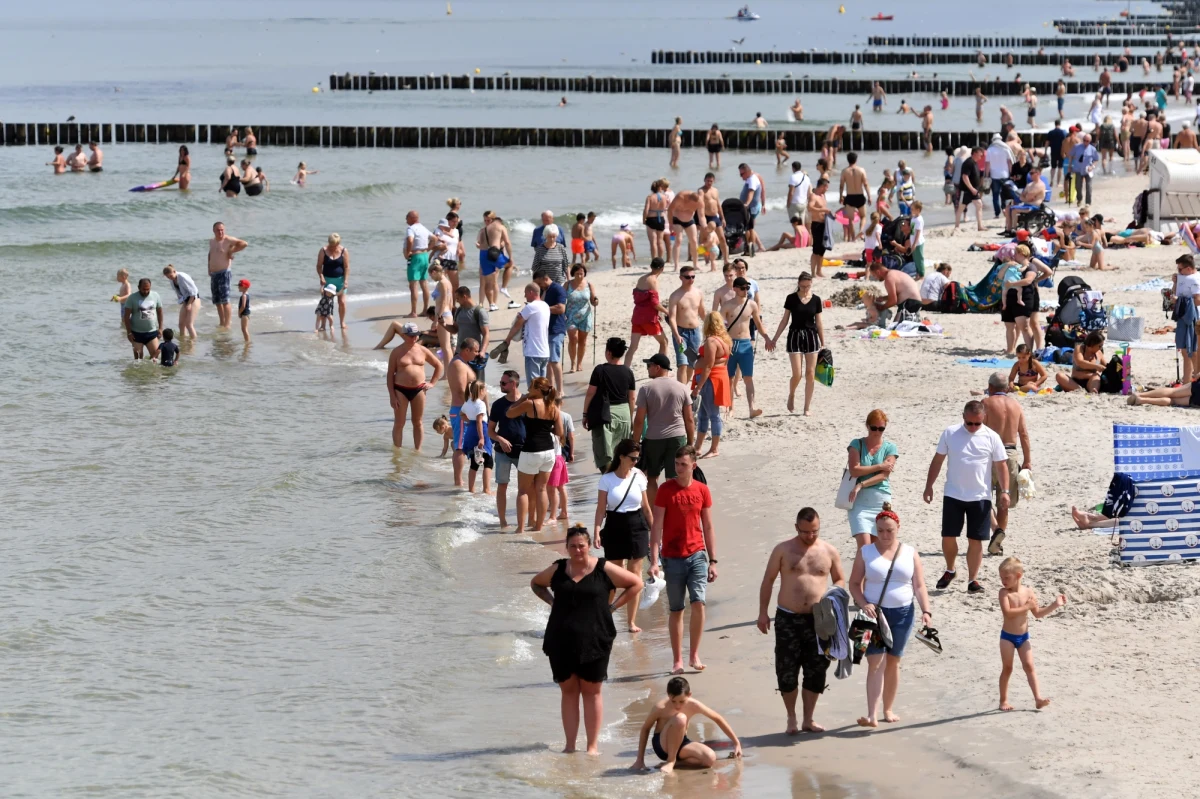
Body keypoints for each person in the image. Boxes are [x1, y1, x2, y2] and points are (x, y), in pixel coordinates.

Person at [530, 525, 642, 755]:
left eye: (581, 546)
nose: (578, 550)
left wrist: (612, 607)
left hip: (596, 637)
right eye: (573, 546)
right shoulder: (559, 568)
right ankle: (570, 746)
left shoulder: (603, 568)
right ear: (567, 548)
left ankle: (592, 747)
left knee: (592, 692)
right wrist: (553, 602)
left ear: (588, 546)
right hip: (560, 638)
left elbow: (636, 583)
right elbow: (536, 583)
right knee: (569, 691)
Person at [756, 506, 845, 734]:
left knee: (816, 669)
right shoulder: (783, 550)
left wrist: (832, 600)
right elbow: (768, 580)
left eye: (814, 531)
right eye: (805, 532)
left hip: (819, 620)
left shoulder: (829, 551)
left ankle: (809, 719)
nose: (810, 536)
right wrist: (763, 612)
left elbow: (840, 579)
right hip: (788, 618)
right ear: (797, 527)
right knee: (786, 670)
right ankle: (791, 718)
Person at [848, 505, 935, 728]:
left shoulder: (910, 552)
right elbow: (854, 583)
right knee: (875, 662)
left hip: (903, 613)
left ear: (898, 528)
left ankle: (888, 709)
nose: (885, 535)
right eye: (881, 531)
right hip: (872, 614)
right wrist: (863, 603)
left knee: (894, 661)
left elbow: (919, 585)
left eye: (890, 530)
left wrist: (926, 611)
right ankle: (871, 714)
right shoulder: (865, 552)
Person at [923, 401, 1011, 595]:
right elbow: (938, 460)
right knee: (948, 536)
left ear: (983, 419)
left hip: (980, 496)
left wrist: (1005, 491)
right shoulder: (950, 433)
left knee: (975, 540)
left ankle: (973, 580)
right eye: (969, 423)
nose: (973, 427)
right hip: (953, 493)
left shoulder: (991, 437)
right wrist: (929, 486)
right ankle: (950, 569)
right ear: (963, 417)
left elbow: (1001, 465)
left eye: (977, 424)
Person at [649, 446, 717, 674]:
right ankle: (677, 660)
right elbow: (656, 526)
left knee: (698, 602)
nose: (678, 469)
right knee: (676, 609)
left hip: (697, 554)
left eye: (683, 465)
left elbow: (707, 526)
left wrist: (713, 560)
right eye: (676, 464)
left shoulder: (702, 490)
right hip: (671, 557)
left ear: (693, 466)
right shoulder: (665, 490)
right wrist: (654, 561)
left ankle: (694, 655)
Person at [593, 438, 653, 632]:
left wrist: (654, 534)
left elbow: (645, 507)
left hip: (637, 526)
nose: (636, 462)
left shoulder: (639, 476)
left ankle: (631, 622)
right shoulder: (607, 479)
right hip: (614, 525)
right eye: (633, 458)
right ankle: (605, 615)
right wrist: (596, 530)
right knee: (614, 576)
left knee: (635, 575)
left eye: (638, 458)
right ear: (621, 457)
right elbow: (601, 509)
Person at [997, 557, 1066, 711]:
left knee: (1029, 666)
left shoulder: (1028, 592)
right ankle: (1003, 700)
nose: (1003, 581)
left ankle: (1038, 699)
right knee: (1007, 668)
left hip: (1023, 637)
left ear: (1019, 575)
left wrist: (1054, 605)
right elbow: (1008, 613)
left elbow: (1038, 614)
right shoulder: (1004, 593)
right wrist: (1027, 606)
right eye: (1001, 578)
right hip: (1007, 637)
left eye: (1007, 578)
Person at [632, 677, 742, 773]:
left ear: (689, 695)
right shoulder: (660, 707)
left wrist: (736, 743)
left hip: (681, 742)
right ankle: (670, 760)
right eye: (673, 701)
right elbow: (645, 729)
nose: (677, 706)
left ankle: (675, 764)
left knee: (710, 758)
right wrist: (640, 760)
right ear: (668, 695)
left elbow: (718, 718)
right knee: (681, 718)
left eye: (681, 701)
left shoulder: (694, 705)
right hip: (662, 745)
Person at [632, 353, 695, 507]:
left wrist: (635, 444)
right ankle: (673, 510)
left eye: (649, 366)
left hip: (654, 438)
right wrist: (690, 444)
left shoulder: (646, 389)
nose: (648, 369)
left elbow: (639, 420)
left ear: (657, 367)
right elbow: (689, 419)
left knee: (652, 478)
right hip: (677, 437)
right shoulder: (681, 387)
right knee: (673, 477)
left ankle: (654, 515)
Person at [981, 372, 1031, 557]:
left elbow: (977, 430)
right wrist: (1027, 460)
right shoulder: (1016, 405)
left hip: (988, 453)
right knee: (1004, 500)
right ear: (1007, 388)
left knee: (981, 496)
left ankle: (995, 532)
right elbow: (1024, 434)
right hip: (1010, 453)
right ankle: (997, 542)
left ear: (991, 387)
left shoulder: (986, 403)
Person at [506, 376, 564, 532]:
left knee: (523, 491)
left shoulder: (529, 403)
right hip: (549, 451)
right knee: (542, 489)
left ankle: (520, 528)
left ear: (538, 389)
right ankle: (538, 526)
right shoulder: (553, 407)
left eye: (531, 387)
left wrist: (522, 399)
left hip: (531, 450)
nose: (528, 390)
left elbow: (509, 414)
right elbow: (559, 431)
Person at [767, 273, 824, 415]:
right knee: (797, 374)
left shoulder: (816, 300)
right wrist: (774, 339)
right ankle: (792, 394)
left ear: (811, 284)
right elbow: (784, 320)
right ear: (798, 284)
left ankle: (807, 408)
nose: (805, 289)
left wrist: (823, 342)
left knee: (810, 374)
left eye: (808, 286)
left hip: (811, 336)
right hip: (795, 336)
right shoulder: (791, 298)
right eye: (803, 286)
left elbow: (819, 322)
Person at [385, 322, 444, 450]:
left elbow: (438, 366)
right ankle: (397, 453)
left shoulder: (423, 350)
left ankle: (417, 450)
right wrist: (392, 395)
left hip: (419, 389)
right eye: (411, 336)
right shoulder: (396, 352)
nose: (414, 338)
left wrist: (432, 383)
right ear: (404, 335)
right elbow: (390, 375)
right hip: (400, 389)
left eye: (416, 335)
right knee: (399, 423)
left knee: (417, 422)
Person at [846, 410, 899, 548]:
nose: (877, 432)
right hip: (858, 502)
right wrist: (880, 465)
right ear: (867, 426)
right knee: (864, 546)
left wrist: (861, 484)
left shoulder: (890, 447)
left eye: (881, 429)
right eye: (874, 428)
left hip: (880, 500)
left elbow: (884, 475)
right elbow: (854, 470)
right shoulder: (857, 444)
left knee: (878, 548)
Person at [582, 338, 636, 472]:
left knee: (605, 454)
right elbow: (632, 398)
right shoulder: (628, 372)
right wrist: (630, 418)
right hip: (624, 412)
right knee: (622, 452)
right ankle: (621, 480)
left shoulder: (600, 370)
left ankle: (609, 482)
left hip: (606, 414)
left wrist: (585, 414)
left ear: (609, 353)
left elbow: (590, 393)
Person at [490, 370, 529, 532]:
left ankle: (526, 523)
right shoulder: (498, 405)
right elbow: (490, 430)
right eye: (500, 382)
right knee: (502, 485)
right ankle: (503, 521)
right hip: (502, 451)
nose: (501, 385)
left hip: (524, 451)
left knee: (526, 488)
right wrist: (501, 439)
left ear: (513, 384)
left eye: (503, 383)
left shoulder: (527, 402)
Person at [691, 312, 733, 459]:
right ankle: (698, 447)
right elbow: (722, 361)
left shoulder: (711, 342)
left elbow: (708, 366)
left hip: (711, 379)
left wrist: (698, 387)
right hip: (719, 376)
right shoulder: (725, 340)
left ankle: (714, 448)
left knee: (713, 415)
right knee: (703, 415)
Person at [501, 283, 550, 386]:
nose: (525, 296)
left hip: (533, 352)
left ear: (531, 292)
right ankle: (543, 402)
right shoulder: (545, 306)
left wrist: (508, 339)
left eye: (525, 293)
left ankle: (535, 402)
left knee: (533, 387)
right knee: (542, 386)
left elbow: (517, 325)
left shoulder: (531, 307)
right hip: (544, 352)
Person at [447, 338, 480, 488]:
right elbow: (461, 391)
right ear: (467, 350)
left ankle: (461, 480)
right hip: (462, 411)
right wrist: (471, 411)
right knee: (460, 447)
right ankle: (458, 481)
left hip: (465, 410)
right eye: (475, 351)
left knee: (464, 445)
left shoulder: (463, 363)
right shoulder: (458, 365)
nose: (477, 354)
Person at [854, 262, 922, 329]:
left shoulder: (889, 278)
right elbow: (900, 293)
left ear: (878, 272)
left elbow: (893, 301)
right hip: (914, 302)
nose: (876, 278)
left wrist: (882, 307)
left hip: (908, 303)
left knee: (896, 328)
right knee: (897, 326)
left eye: (874, 276)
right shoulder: (894, 273)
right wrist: (884, 298)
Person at [667, 266, 704, 384]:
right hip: (681, 332)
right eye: (688, 277)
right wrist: (676, 334)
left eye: (693, 277)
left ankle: (684, 387)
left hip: (695, 332)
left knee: (692, 363)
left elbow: (703, 313)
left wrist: (711, 328)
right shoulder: (675, 295)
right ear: (681, 278)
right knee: (682, 363)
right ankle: (682, 391)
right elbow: (672, 318)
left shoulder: (698, 293)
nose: (691, 279)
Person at [208, 222, 247, 330]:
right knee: (217, 301)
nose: (220, 232)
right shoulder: (211, 241)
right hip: (214, 274)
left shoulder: (228, 240)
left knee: (225, 300)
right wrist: (209, 268)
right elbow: (210, 254)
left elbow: (244, 243)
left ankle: (227, 324)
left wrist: (231, 250)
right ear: (214, 231)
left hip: (224, 273)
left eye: (222, 230)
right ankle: (222, 322)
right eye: (218, 230)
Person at [459, 379, 494, 495]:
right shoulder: (481, 404)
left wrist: (469, 421)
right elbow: (480, 421)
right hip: (481, 431)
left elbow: (461, 414)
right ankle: (486, 489)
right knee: (488, 461)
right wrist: (482, 438)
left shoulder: (468, 402)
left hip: (470, 430)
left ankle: (471, 489)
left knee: (474, 462)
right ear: (481, 391)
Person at [564, 265, 597, 374]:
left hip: (585, 316)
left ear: (584, 273)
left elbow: (593, 300)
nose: (580, 275)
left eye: (582, 273)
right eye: (577, 273)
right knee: (573, 338)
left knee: (582, 341)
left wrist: (596, 301)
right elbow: (562, 299)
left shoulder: (589, 285)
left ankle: (579, 363)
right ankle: (573, 363)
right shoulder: (567, 284)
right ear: (573, 273)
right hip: (571, 316)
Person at [315, 233, 350, 330]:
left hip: (340, 280)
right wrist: (321, 276)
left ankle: (342, 322)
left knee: (342, 302)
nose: (332, 246)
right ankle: (323, 325)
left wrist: (346, 280)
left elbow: (346, 267)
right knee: (325, 303)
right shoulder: (323, 250)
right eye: (330, 244)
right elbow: (318, 266)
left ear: (338, 243)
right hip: (327, 280)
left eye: (334, 244)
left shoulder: (344, 251)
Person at [122, 278, 163, 360]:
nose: (146, 291)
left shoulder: (155, 296)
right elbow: (126, 317)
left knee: (155, 357)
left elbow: (160, 313)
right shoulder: (132, 298)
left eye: (148, 289)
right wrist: (129, 333)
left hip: (152, 332)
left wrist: (161, 328)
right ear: (138, 287)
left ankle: (152, 373)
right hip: (136, 334)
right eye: (144, 289)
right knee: (138, 360)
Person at [666, 191, 704, 272]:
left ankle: (695, 264)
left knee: (694, 241)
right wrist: (670, 224)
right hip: (677, 220)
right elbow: (670, 210)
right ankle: (676, 265)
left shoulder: (699, 202)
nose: (693, 206)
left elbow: (701, 216)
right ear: (689, 199)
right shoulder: (680, 197)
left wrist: (704, 226)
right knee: (678, 240)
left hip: (689, 220)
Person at [405, 210, 433, 319]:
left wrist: (408, 253)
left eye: (407, 217)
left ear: (412, 218)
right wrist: (428, 248)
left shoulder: (411, 229)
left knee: (413, 285)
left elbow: (410, 240)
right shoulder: (423, 228)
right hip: (424, 256)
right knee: (424, 283)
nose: (406, 220)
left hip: (415, 256)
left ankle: (413, 311)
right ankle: (425, 309)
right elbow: (434, 238)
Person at [161, 264, 200, 338]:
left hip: (194, 298)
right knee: (181, 324)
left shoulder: (182, 277)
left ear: (174, 271)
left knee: (189, 324)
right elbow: (178, 292)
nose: (170, 278)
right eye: (168, 277)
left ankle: (193, 344)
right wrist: (181, 301)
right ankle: (183, 344)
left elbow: (193, 292)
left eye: (170, 276)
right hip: (186, 299)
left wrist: (189, 304)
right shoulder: (171, 280)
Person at [838, 153, 871, 240]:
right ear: (856, 160)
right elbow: (866, 184)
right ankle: (861, 231)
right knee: (863, 216)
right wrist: (869, 196)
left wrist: (840, 196)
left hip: (850, 197)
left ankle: (853, 238)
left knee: (850, 219)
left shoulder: (844, 171)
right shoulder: (861, 170)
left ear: (847, 160)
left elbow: (841, 185)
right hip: (860, 196)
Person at [954, 147, 985, 233]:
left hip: (974, 190)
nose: (981, 155)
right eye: (980, 153)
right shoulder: (968, 163)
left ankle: (980, 226)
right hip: (966, 190)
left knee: (979, 204)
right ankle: (957, 226)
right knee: (961, 208)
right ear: (974, 153)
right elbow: (965, 177)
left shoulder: (975, 163)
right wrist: (971, 188)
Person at [737, 163, 766, 254]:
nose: (741, 177)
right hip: (751, 207)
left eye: (742, 174)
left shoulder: (752, 180)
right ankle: (752, 247)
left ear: (748, 171)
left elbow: (751, 193)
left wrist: (746, 204)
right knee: (750, 228)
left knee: (749, 229)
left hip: (750, 208)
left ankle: (750, 248)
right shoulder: (751, 178)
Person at [985, 133, 1014, 219]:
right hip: (1005, 175)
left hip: (994, 176)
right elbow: (1010, 162)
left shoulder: (990, 150)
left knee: (995, 195)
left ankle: (997, 213)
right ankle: (1005, 209)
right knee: (1006, 194)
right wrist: (1012, 173)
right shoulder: (1005, 149)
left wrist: (986, 175)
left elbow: (987, 164)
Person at [808, 178, 831, 277]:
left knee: (823, 248)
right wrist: (822, 209)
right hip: (816, 224)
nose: (827, 189)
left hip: (824, 224)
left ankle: (819, 271)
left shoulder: (823, 195)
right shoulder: (814, 196)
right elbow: (810, 207)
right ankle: (813, 272)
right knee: (816, 249)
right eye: (826, 187)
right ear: (822, 186)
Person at [643, 180, 669, 261]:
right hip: (661, 218)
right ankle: (661, 260)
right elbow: (666, 208)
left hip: (651, 219)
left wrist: (644, 219)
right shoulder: (664, 197)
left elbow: (646, 210)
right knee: (660, 242)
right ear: (659, 188)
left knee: (653, 242)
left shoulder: (650, 197)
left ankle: (654, 260)